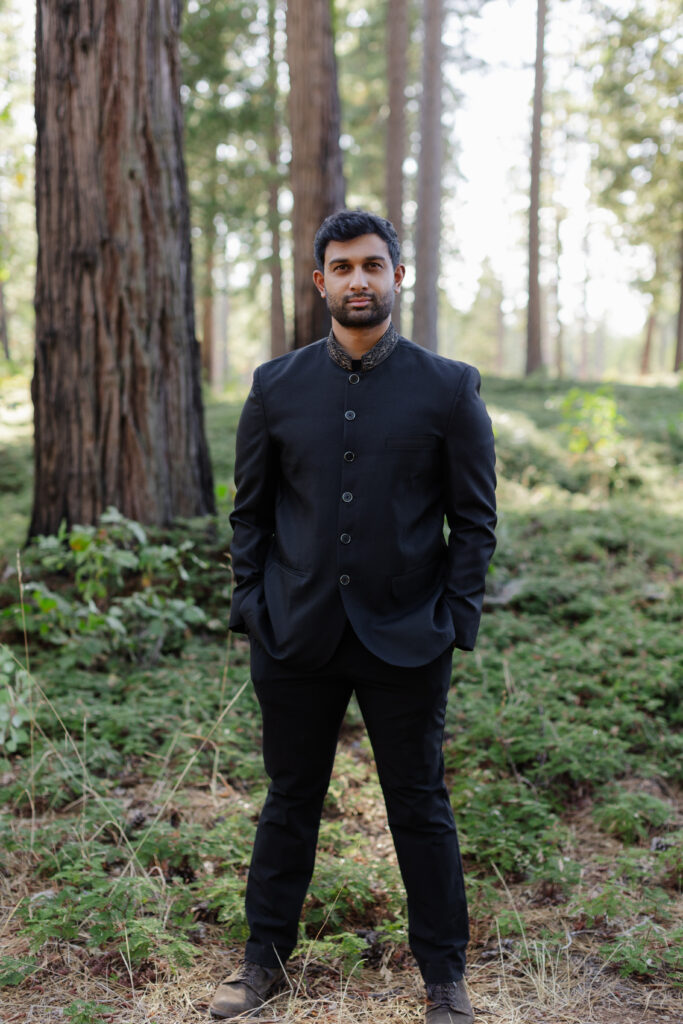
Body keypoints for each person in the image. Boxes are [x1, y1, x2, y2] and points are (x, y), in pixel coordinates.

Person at [209, 209, 496, 1023]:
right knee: (289, 800)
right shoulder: (275, 386)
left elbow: (474, 520)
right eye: (342, 267)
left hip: (408, 635)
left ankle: (444, 977)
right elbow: (250, 515)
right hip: (293, 632)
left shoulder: (448, 386)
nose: (359, 280)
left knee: (419, 804)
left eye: (373, 265)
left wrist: (453, 619)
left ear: (397, 277)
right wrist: (250, 607)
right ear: (320, 282)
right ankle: (262, 963)